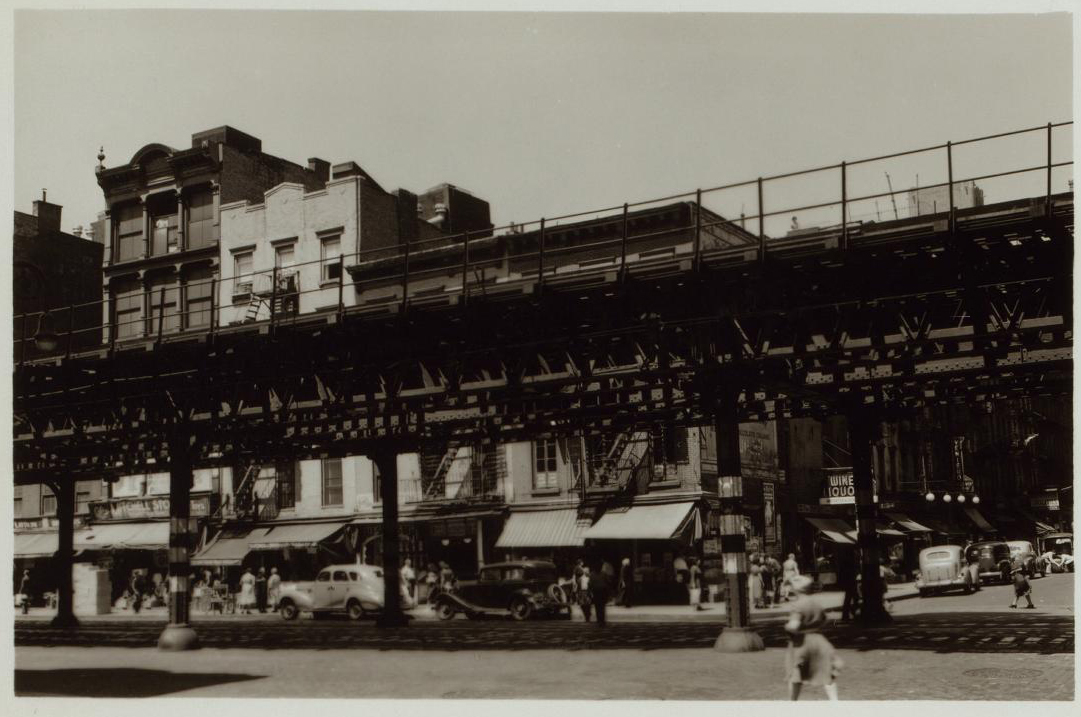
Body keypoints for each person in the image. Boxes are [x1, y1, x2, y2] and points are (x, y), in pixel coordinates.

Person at [784, 574, 842, 701]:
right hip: (819, 640)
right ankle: (835, 702)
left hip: (802, 641)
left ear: (796, 589)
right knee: (827, 672)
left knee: (796, 675)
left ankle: (792, 703)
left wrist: (787, 627)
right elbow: (825, 619)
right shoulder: (816, 603)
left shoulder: (797, 605)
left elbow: (794, 625)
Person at [837, 548, 859, 622]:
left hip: (849, 582)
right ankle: (852, 613)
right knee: (854, 597)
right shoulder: (850, 562)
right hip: (850, 582)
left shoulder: (846, 562)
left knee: (850, 598)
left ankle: (847, 614)